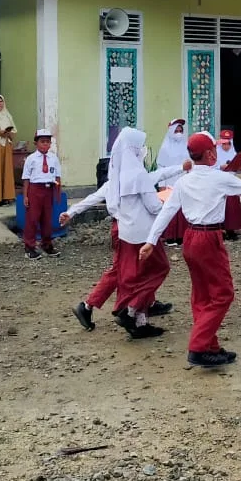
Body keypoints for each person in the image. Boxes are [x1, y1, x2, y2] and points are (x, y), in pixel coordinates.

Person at [144, 131, 241, 367]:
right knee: (223, 293)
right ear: (211, 154)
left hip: (190, 237)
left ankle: (210, 347)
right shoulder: (219, 178)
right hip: (209, 238)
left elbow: (167, 211)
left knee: (202, 295)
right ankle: (199, 346)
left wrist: (151, 241)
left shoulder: (183, 181)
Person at [62, 128, 189, 337]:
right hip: (143, 234)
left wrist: (71, 212)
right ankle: (126, 310)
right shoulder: (137, 174)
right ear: (133, 149)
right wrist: (168, 200)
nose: (143, 151)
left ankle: (137, 316)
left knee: (129, 274)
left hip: (124, 232)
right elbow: (153, 203)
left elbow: (96, 196)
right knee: (139, 273)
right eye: (140, 147)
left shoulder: (118, 175)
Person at [21, 128, 62, 259]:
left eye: (48, 142)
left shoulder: (54, 158)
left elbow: (57, 177)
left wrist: (57, 193)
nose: (45, 144)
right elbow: (26, 178)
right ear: (36, 143)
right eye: (42, 142)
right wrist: (26, 195)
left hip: (48, 189)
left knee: (47, 219)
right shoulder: (31, 159)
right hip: (35, 189)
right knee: (32, 219)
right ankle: (29, 247)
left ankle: (47, 244)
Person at [156, 118, 189, 244]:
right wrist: (162, 185)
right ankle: (169, 236)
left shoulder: (186, 146)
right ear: (171, 131)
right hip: (169, 182)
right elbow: (160, 167)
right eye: (176, 131)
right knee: (169, 209)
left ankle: (181, 235)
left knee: (182, 209)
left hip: (182, 181)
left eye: (181, 130)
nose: (179, 133)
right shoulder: (165, 148)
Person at [216, 129, 241, 241]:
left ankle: (231, 230)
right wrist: (220, 167)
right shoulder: (215, 153)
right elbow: (211, 167)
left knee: (231, 208)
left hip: (231, 182)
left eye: (228, 144)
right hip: (219, 183)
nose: (226, 146)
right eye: (224, 144)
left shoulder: (233, 153)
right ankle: (220, 230)